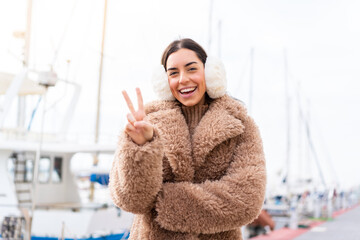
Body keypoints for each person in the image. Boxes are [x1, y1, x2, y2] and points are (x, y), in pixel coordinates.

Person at [109, 38, 266, 240]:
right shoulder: (145, 124)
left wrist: (164, 201)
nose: (182, 79)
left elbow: (246, 201)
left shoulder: (241, 126)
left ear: (210, 72)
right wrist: (141, 146)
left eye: (191, 69)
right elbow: (131, 201)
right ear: (164, 81)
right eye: (173, 73)